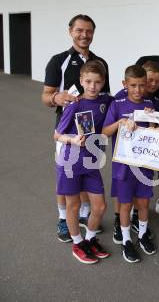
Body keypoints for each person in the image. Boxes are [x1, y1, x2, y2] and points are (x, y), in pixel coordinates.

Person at [41, 14, 110, 243]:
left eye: (89, 31)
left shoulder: (100, 63)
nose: (84, 35)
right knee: (66, 177)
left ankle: (82, 216)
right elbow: (45, 96)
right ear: (70, 31)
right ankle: (64, 218)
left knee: (86, 173)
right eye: (79, 30)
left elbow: (105, 97)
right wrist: (56, 98)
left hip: (92, 133)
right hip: (66, 130)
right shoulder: (58, 61)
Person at [53, 60, 112, 264]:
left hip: (91, 164)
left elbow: (124, 101)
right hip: (70, 163)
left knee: (100, 206)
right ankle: (77, 243)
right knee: (74, 205)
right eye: (88, 81)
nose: (92, 86)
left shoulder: (107, 102)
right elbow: (57, 134)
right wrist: (72, 139)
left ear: (103, 82)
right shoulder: (74, 104)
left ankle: (90, 239)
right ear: (81, 81)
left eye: (97, 82)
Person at [102, 65, 156, 263]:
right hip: (124, 165)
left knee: (143, 203)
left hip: (144, 165)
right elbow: (105, 132)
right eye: (133, 85)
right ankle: (126, 240)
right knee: (125, 205)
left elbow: (155, 132)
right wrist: (120, 123)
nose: (138, 90)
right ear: (125, 84)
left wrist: (152, 120)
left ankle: (142, 235)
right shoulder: (117, 104)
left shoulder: (150, 103)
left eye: (142, 85)